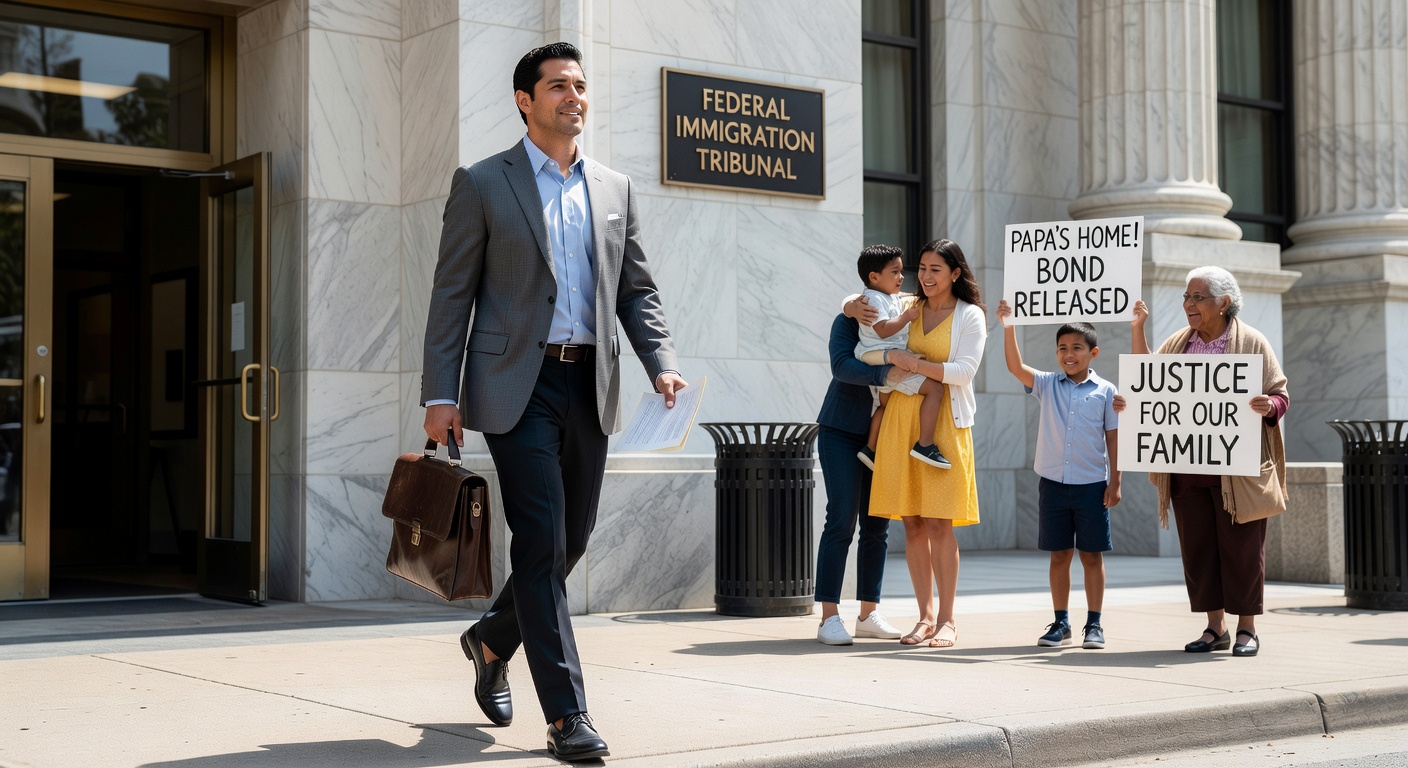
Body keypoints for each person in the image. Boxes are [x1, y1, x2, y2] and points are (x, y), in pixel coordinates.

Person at [421, 42, 686, 761]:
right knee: (540, 539)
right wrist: (440, 395)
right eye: (558, 86)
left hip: (588, 383)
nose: (574, 96)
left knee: (568, 543)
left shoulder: (613, 188)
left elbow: (637, 290)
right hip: (516, 385)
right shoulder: (482, 183)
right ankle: (568, 715)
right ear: (524, 101)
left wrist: (659, 362)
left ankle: (490, 639)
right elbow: (452, 296)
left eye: (580, 85)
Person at [1117, 267, 1288, 658]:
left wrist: (1269, 406)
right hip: (1187, 470)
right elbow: (1148, 380)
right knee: (1199, 551)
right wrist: (1133, 400)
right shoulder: (1180, 342)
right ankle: (1216, 628)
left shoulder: (1252, 343)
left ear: (1223, 303)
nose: (1188, 305)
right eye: (1186, 297)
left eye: (1197, 298)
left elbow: (1280, 393)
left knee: (1242, 550)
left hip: (1236, 473)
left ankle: (1247, 629)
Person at [849, 239, 987, 648]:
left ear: (955, 274)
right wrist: (849, 306)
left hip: (944, 423)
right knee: (911, 522)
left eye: (935, 270)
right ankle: (924, 617)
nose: (925, 277)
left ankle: (947, 619)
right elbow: (862, 297)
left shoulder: (970, 315)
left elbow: (963, 372)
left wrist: (913, 364)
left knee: (940, 522)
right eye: (921, 268)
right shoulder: (908, 303)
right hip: (900, 420)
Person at [814, 255, 925, 646]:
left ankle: (868, 613)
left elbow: (924, 296)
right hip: (841, 430)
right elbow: (841, 366)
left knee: (878, 524)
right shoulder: (851, 316)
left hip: (888, 432)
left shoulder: (901, 306)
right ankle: (829, 615)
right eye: (894, 272)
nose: (902, 277)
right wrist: (885, 368)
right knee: (841, 520)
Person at [995, 304, 1121, 649]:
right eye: (1063, 348)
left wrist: (1116, 481)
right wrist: (1009, 325)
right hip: (1052, 485)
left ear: (1093, 353)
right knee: (1059, 555)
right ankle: (1061, 622)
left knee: (1092, 556)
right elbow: (1014, 367)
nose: (1069, 354)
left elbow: (1113, 437)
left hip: (1093, 486)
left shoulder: (1107, 391)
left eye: (1077, 348)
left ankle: (1094, 625)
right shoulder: (1047, 385)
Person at [852, 245, 950, 470]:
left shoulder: (886, 296)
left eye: (901, 271)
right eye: (894, 272)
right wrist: (906, 317)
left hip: (882, 361)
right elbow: (882, 329)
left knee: (884, 406)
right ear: (874, 277)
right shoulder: (873, 300)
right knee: (935, 390)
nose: (901, 277)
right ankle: (925, 443)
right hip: (881, 358)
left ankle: (870, 449)